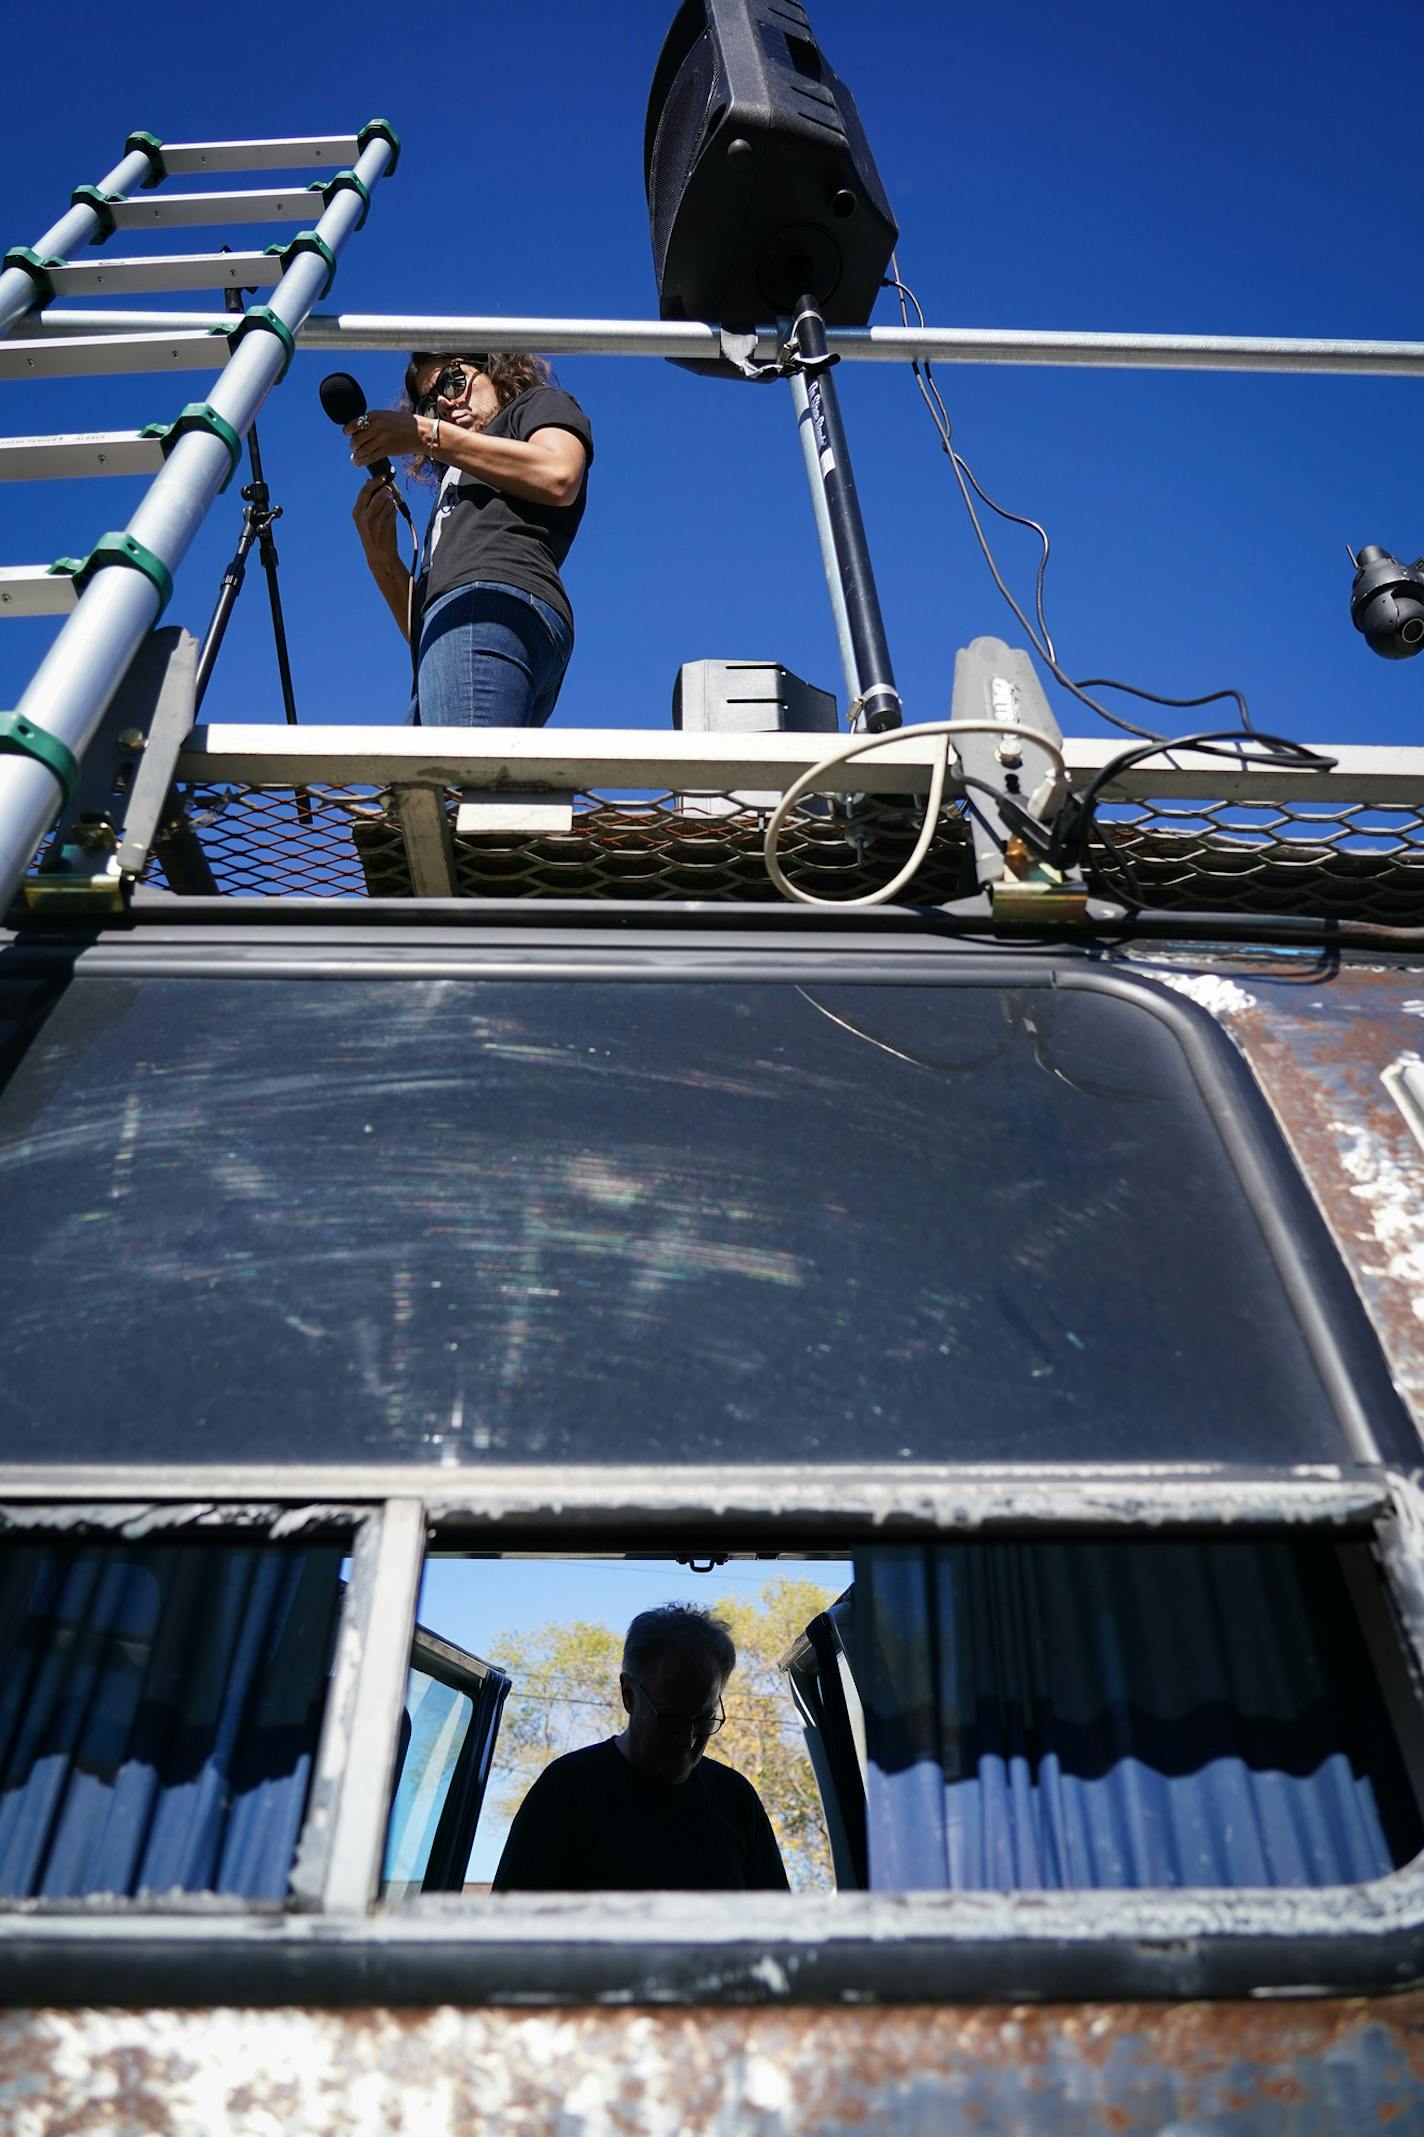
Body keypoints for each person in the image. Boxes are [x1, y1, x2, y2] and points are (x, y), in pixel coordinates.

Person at [346, 352, 593, 727]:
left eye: (452, 381)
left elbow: (559, 473)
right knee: (447, 783)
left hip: (493, 604)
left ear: (493, 370)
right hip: (457, 632)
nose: (445, 403)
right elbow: (424, 629)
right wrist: (383, 562)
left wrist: (427, 436)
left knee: (461, 778)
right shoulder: (457, 483)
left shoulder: (537, 404)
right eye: (429, 405)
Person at [492, 1603, 790, 1893]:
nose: (688, 1739)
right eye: (671, 1718)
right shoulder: (566, 1789)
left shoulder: (736, 1799)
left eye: (703, 1719)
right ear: (628, 1694)